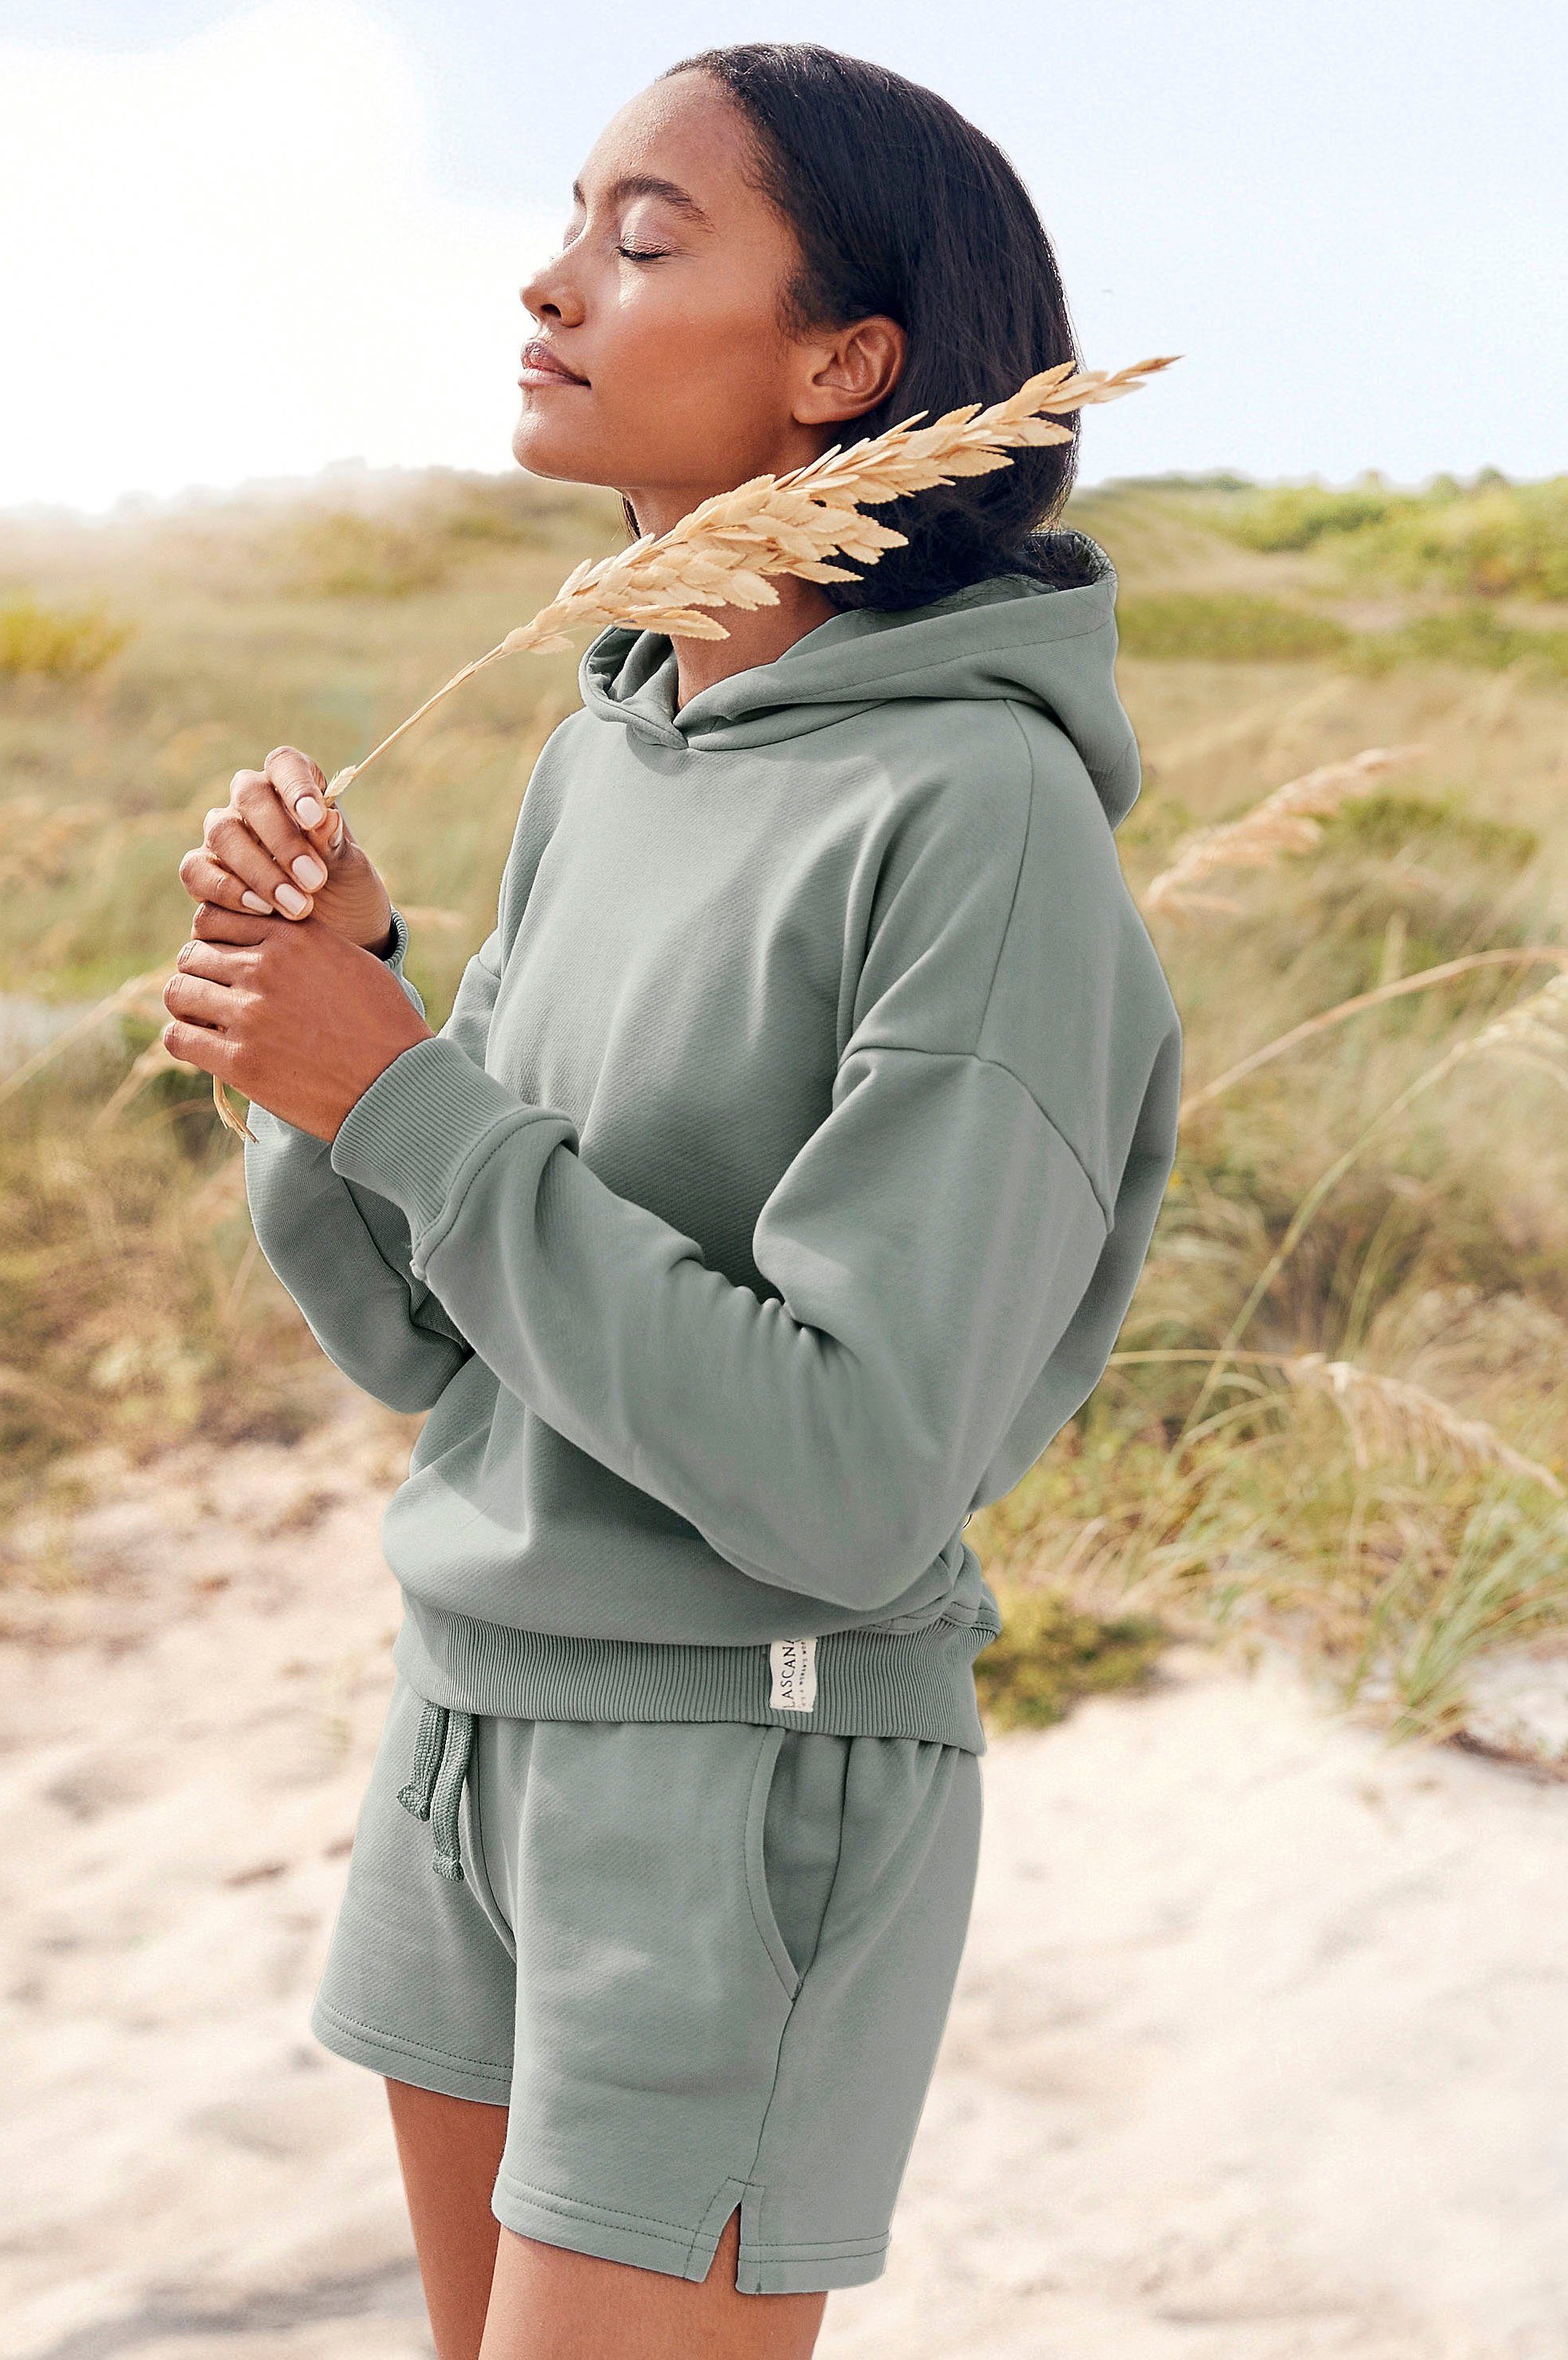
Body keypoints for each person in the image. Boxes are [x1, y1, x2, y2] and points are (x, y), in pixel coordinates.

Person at [162, 40, 1182, 2360]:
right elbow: (434, 1343)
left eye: (641, 241)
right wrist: (329, 1031)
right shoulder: (601, 755)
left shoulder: (979, 824)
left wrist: (403, 1093)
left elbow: (848, 1477)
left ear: (844, 366)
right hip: (469, 1718)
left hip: (742, 1768)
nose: (550, 286)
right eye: (567, 227)